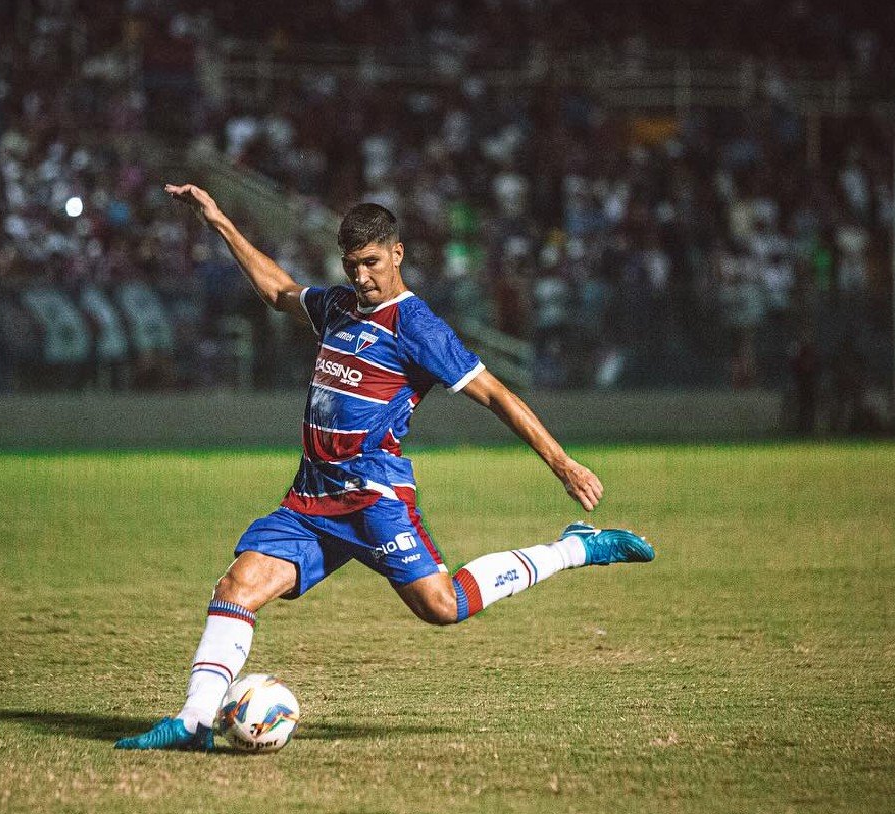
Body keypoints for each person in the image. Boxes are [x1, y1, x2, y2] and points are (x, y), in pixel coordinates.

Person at [115, 185, 655, 751]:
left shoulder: (416, 326)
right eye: (352, 266)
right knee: (237, 585)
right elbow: (278, 289)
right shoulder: (339, 307)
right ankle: (197, 721)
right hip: (312, 497)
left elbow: (495, 395)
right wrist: (219, 220)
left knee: (441, 607)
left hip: (374, 499)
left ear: (397, 253)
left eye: (371, 263)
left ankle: (573, 548)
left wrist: (561, 462)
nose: (362, 277)